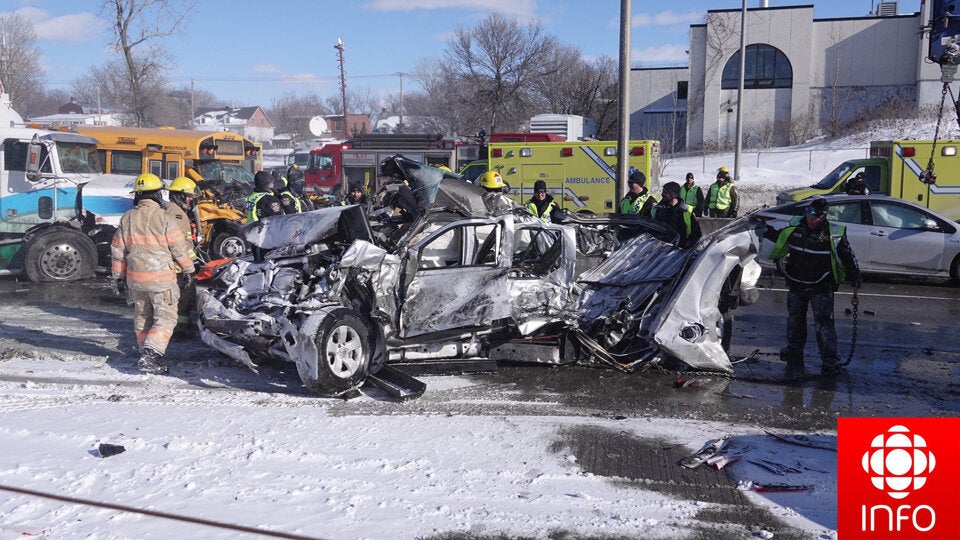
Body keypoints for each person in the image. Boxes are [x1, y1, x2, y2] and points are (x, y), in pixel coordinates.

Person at [765, 196, 862, 377]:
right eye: (809, 215)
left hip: (821, 286)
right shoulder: (796, 228)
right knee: (795, 321)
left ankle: (829, 361)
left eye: (815, 217)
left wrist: (855, 275)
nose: (811, 219)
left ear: (823, 217)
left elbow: (848, 256)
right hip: (796, 283)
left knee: (823, 325)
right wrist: (765, 230)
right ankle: (794, 354)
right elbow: (780, 238)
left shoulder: (833, 234)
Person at [111, 173, 196, 374]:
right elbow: (178, 248)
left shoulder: (127, 218)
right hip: (161, 280)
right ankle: (151, 354)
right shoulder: (164, 217)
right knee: (166, 317)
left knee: (142, 316)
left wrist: (118, 278)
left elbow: (117, 251)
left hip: (136, 280)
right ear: (158, 194)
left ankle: (145, 354)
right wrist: (189, 270)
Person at [165, 176, 201, 339]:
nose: (191, 199)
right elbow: (179, 244)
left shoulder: (175, 211)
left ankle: (182, 325)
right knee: (185, 296)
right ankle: (178, 328)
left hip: (178, 264)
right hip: (178, 265)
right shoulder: (176, 214)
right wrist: (192, 262)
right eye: (188, 195)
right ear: (179, 195)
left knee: (185, 296)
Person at [652, 181, 702, 249]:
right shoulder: (657, 209)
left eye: (665, 192)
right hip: (659, 250)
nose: (662, 194)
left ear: (673, 195)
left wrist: (688, 243)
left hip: (679, 252)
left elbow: (696, 233)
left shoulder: (687, 211)